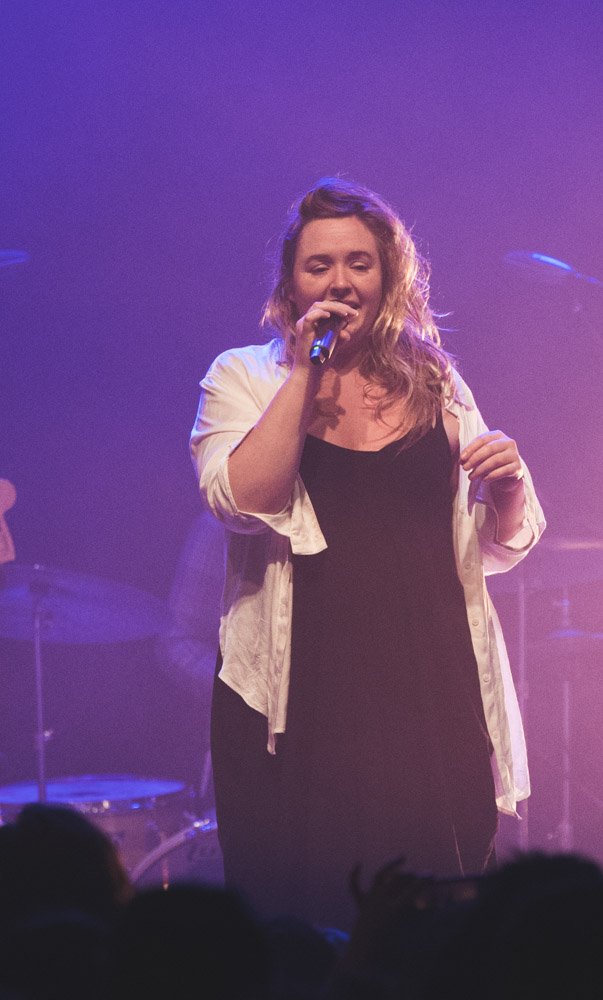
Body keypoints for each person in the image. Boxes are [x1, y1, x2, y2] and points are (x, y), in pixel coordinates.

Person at [190, 177, 545, 930]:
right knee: (301, 926)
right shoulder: (243, 376)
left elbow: (502, 543)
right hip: (299, 700)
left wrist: (510, 487)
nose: (340, 281)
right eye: (319, 265)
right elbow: (242, 504)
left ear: (388, 276)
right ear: (291, 281)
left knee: (439, 921)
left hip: (429, 689)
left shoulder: (435, 379)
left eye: (359, 263)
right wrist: (306, 371)